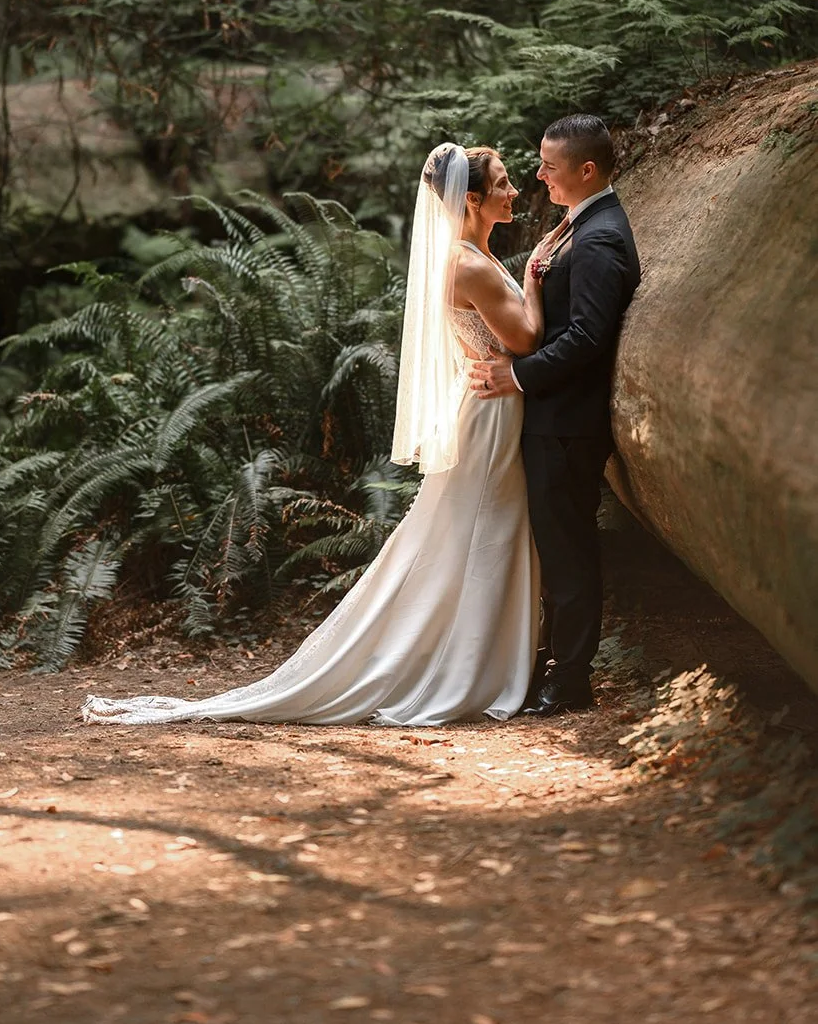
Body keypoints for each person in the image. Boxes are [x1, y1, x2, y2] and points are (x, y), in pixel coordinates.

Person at [82, 143, 562, 730]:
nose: (515, 191)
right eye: (504, 183)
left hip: (487, 402)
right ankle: (465, 669)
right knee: (483, 531)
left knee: (475, 532)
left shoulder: (464, 257)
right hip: (489, 413)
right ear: (472, 200)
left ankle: (474, 659)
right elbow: (526, 341)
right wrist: (534, 278)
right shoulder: (470, 266)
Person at [470, 114, 641, 717]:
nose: (539, 176)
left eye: (548, 166)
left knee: (568, 552)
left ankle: (570, 679)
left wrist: (517, 375)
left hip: (568, 424)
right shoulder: (580, 225)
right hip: (553, 419)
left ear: (586, 170)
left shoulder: (598, 238)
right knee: (555, 548)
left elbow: (589, 336)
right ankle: (545, 664)